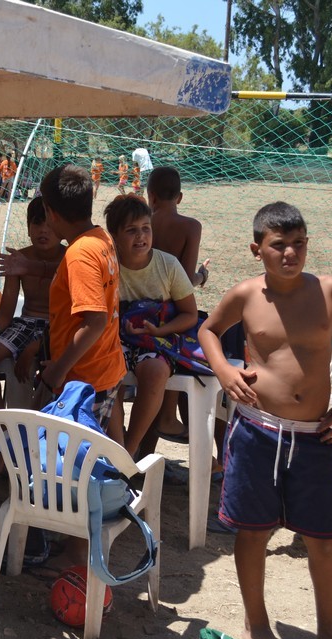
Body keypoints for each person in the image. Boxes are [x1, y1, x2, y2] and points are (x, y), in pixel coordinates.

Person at [197, 201, 332, 639]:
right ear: (257, 249)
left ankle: (328, 632)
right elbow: (208, 330)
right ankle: (257, 624)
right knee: (253, 532)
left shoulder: (329, 291)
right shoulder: (246, 295)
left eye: (298, 243)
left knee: (324, 538)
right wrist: (224, 370)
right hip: (258, 431)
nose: (290, 253)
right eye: (279, 245)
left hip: (314, 436)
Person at [104, 195, 197, 457]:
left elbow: (189, 314)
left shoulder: (168, 265)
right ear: (114, 236)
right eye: (131, 230)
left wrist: (159, 331)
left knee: (156, 371)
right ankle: (116, 448)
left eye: (146, 228)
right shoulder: (106, 265)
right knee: (107, 367)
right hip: (114, 341)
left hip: (156, 341)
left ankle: (131, 449)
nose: (141, 236)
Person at [38, 164, 125, 427]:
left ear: (51, 213)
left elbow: (95, 320)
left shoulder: (80, 254)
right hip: (101, 367)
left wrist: (58, 370)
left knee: (73, 451)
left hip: (84, 380)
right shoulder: (101, 237)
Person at [0, 197, 64, 410]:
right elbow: (5, 313)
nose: (43, 230)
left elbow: (72, 317)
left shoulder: (71, 258)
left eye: (49, 224)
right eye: (37, 223)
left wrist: (36, 347)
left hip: (60, 328)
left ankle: (40, 421)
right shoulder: (19, 259)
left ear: (62, 228)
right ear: (28, 228)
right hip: (25, 324)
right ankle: (1, 422)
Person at [147, 165, 211, 445]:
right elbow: (183, 281)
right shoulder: (190, 226)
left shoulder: (143, 223)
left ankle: (146, 451)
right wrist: (202, 275)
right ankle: (171, 419)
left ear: (151, 196)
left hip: (137, 309)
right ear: (180, 197)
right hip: (170, 314)